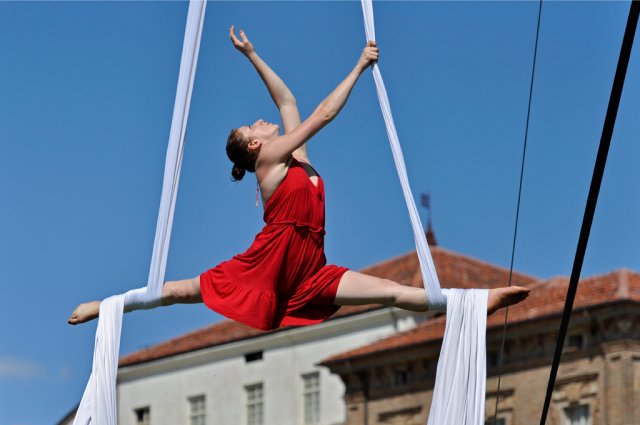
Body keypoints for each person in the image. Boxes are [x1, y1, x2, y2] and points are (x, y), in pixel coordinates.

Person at [69, 27, 529, 329]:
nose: (260, 121)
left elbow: (288, 101)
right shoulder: (270, 159)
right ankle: (106, 307)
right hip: (270, 261)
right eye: (252, 127)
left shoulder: (295, 160)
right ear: (253, 148)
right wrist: (360, 66)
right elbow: (321, 114)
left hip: (310, 266)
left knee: (392, 292)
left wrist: (252, 54)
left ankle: (470, 304)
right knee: (181, 290)